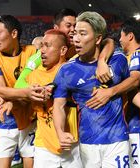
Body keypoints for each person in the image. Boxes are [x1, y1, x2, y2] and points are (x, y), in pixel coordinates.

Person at [52, 11, 140, 168]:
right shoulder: (67, 71)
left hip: (117, 140)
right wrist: (59, 131)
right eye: (75, 33)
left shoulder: (118, 61)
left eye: (82, 34)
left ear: (98, 39)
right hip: (87, 142)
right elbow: (58, 105)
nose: (76, 38)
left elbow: (130, 89)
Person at [86, 18, 140, 167]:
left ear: (130, 36)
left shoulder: (138, 55)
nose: (120, 39)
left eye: (121, 35)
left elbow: (134, 80)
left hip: (139, 123)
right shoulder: (129, 57)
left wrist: (110, 92)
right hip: (132, 123)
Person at [0, 15, 45, 168]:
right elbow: (2, 90)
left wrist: (15, 98)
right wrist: (26, 94)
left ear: (14, 34)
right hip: (7, 119)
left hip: (31, 119)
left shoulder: (32, 52)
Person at [28, 29, 82, 167]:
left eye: (48, 45)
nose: (42, 50)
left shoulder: (73, 71)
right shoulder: (34, 75)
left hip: (72, 142)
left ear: (63, 50)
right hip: (43, 143)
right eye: (42, 46)